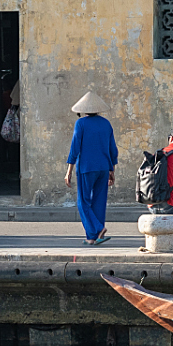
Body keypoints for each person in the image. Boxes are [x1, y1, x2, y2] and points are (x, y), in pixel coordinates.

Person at [65, 91, 118, 245]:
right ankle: (92, 237)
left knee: (83, 202)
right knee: (99, 201)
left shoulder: (80, 123)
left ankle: (97, 228)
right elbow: (113, 150)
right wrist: (112, 170)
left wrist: (68, 171)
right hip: (103, 168)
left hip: (86, 168)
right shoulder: (106, 123)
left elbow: (75, 148)